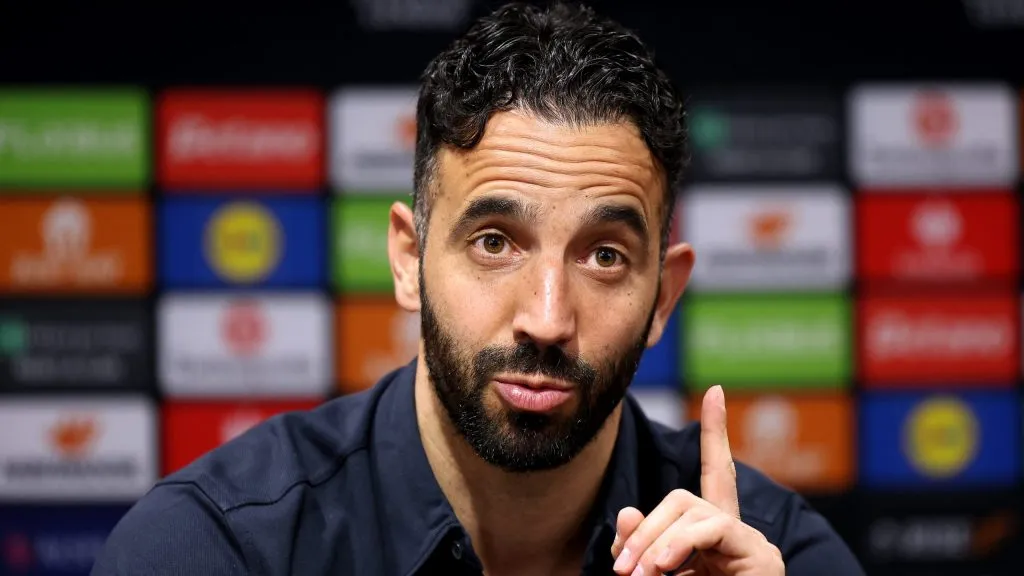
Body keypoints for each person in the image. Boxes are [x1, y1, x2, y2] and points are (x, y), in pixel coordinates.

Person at [92, 2, 865, 575]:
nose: (548, 318)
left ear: (663, 295)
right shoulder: (215, 549)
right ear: (408, 258)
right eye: (495, 243)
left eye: (603, 256)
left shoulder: (776, 558)